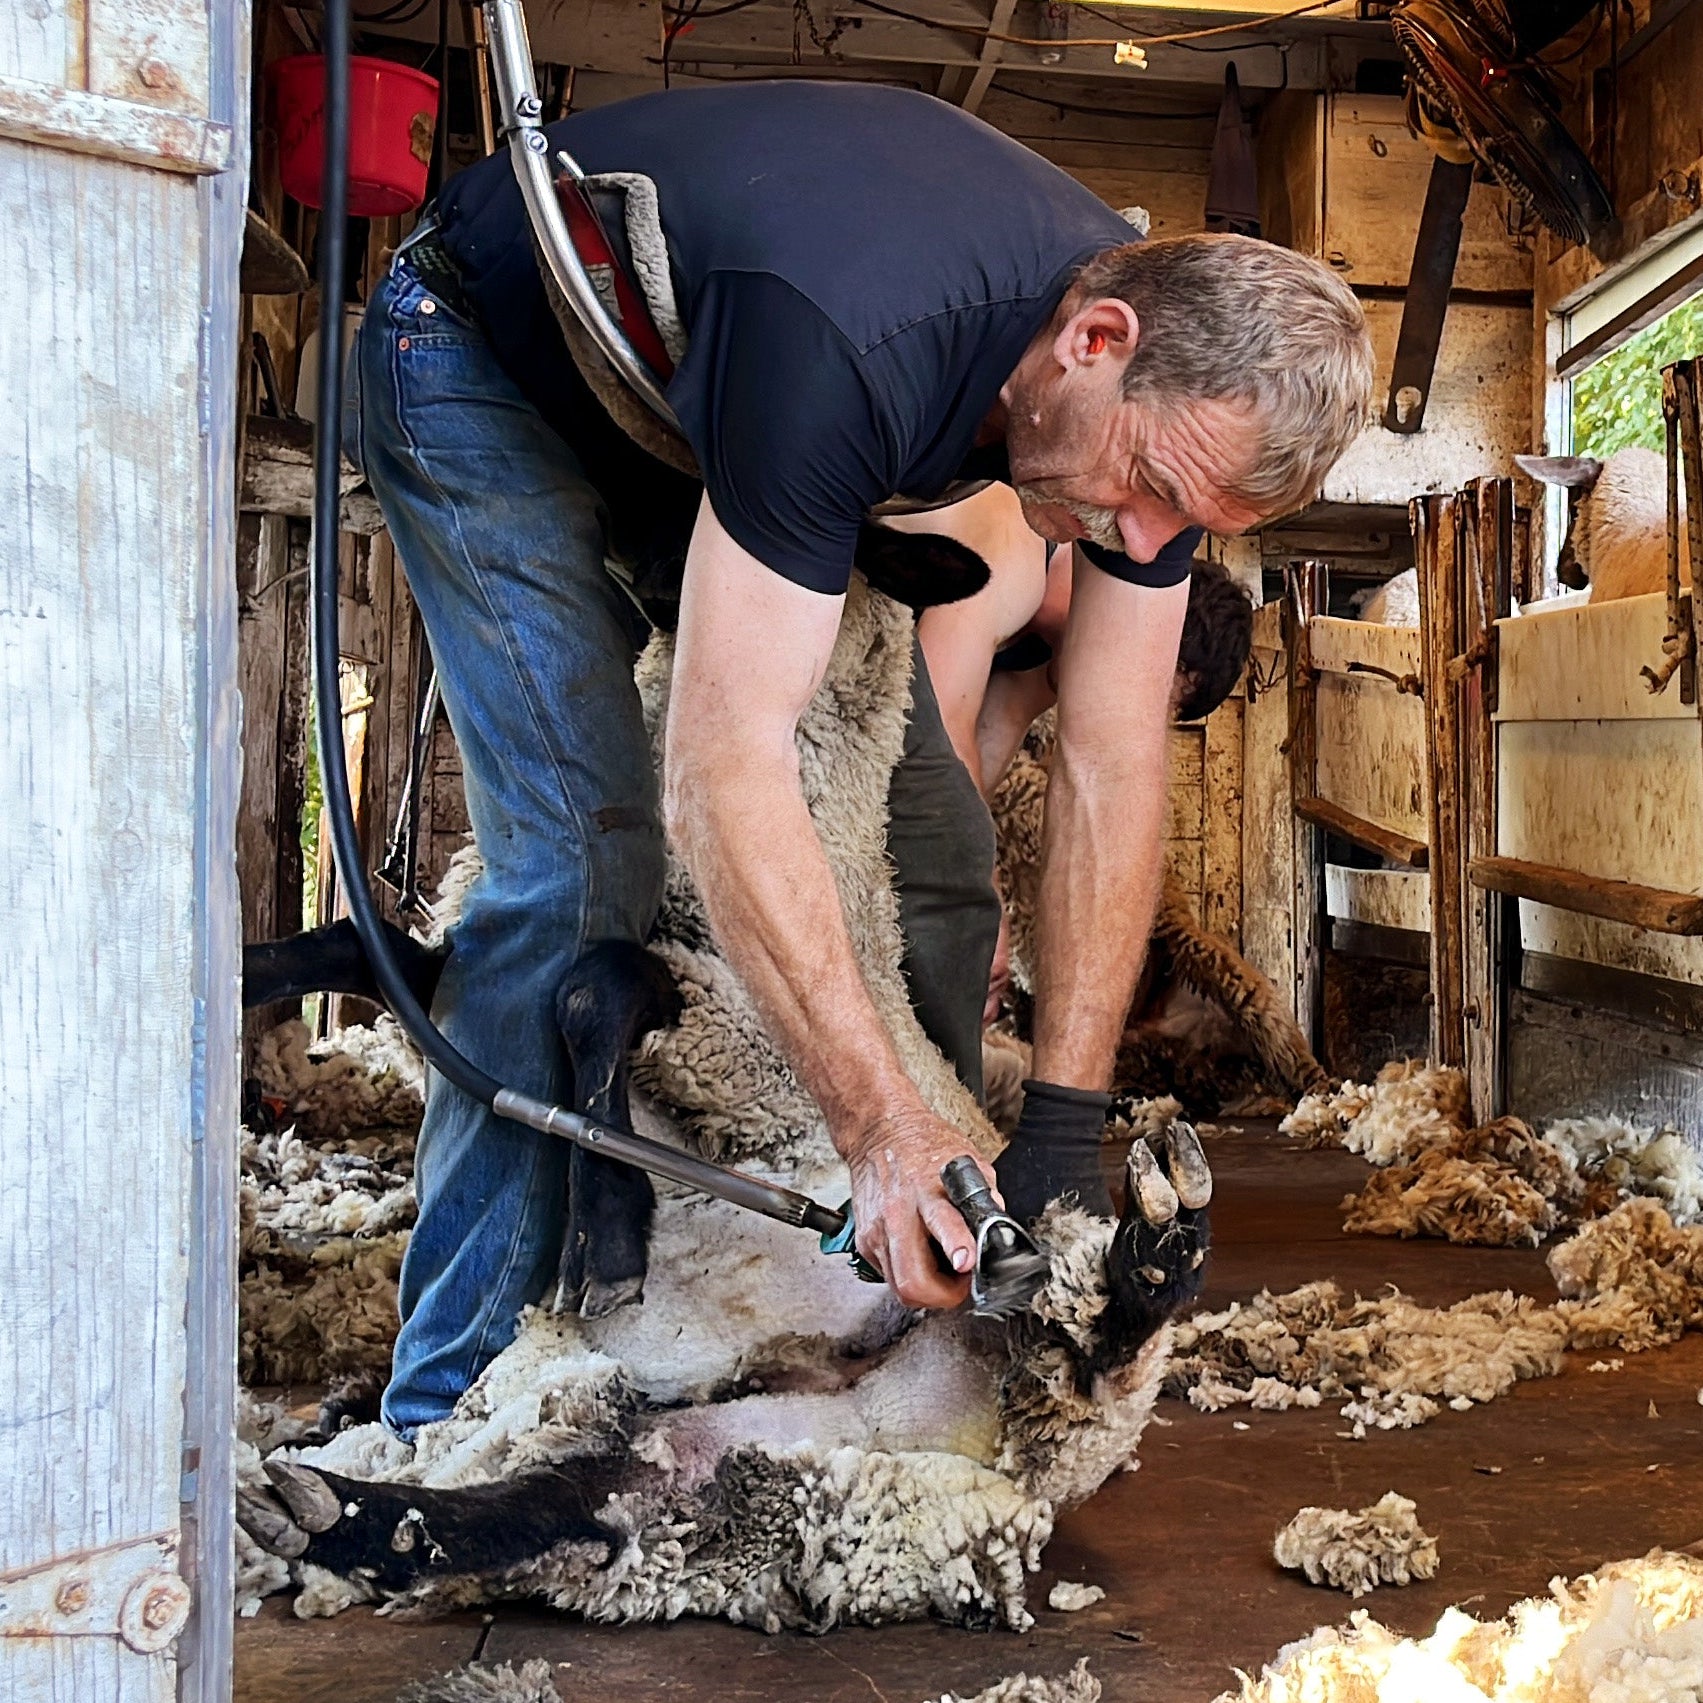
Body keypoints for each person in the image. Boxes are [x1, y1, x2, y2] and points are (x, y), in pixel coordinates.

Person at [342, 80, 1374, 1434]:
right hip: (478, 362)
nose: (1137, 547)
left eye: (1182, 527)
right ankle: (448, 1406)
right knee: (583, 859)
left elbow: (1115, 768)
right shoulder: (856, 332)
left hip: (683, 410)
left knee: (857, 840)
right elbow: (724, 764)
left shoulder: (1146, 422)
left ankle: (662, 1279)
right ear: (1098, 339)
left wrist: (1062, 1131)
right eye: (1154, 493)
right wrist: (878, 1129)